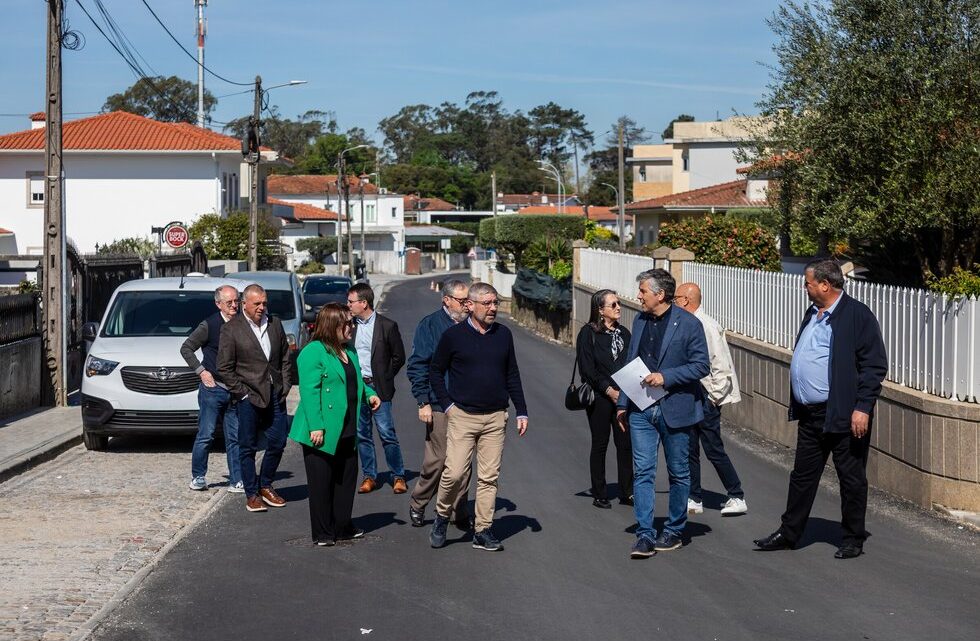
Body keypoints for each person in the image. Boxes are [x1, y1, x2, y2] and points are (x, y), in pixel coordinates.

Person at [754, 258, 886, 559]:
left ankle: (853, 538)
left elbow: (874, 365)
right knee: (802, 475)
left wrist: (862, 407)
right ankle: (789, 534)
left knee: (851, 478)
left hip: (843, 412)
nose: (805, 287)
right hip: (811, 414)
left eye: (808, 283)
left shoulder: (857, 316)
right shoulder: (813, 312)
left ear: (825, 285)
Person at [428, 282, 528, 552]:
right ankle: (441, 516)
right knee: (455, 473)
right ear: (470, 305)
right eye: (487, 303)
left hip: (496, 417)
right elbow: (436, 371)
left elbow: (512, 374)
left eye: (495, 302)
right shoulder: (453, 336)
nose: (493, 308)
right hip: (462, 415)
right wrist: (447, 405)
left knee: (488, 477)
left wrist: (521, 410)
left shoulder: (504, 335)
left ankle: (482, 530)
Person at [616, 269, 709, 559]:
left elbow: (701, 366)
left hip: (676, 408)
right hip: (640, 409)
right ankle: (644, 534)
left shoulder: (689, 324)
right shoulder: (640, 320)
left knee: (678, 473)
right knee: (642, 472)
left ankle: (674, 530)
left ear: (659, 294)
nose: (638, 296)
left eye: (643, 291)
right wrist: (622, 402)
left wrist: (665, 377)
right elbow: (632, 361)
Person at [290, 303, 381, 546]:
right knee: (322, 485)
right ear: (332, 326)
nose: (352, 327)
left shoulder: (348, 351)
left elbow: (357, 381)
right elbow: (310, 393)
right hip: (321, 429)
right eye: (347, 324)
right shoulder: (313, 351)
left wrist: (369, 394)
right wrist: (316, 427)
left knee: (346, 481)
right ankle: (323, 533)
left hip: (347, 427)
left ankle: (343, 526)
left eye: (351, 323)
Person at [217, 283, 292, 513]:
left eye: (264, 303)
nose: (261, 307)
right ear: (244, 304)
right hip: (249, 397)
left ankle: (266, 484)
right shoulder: (232, 329)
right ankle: (251, 493)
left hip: (275, 395)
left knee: (278, 441)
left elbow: (284, 358)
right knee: (247, 446)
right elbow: (224, 367)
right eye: (257, 303)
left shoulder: (274, 324)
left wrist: (285, 384)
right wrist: (242, 393)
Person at [674, 282, 747, 516]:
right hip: (694, 394)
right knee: (690, 447)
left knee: (713, 448)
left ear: (686, 300)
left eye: (676, 298)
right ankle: (694, 497)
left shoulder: (706, 325)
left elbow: (721, 365)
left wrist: (712, 398)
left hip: (706, 396)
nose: (674, 302)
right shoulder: (691, 323)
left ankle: (736, 495)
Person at [405, 279, 473, 529]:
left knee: (463, 463)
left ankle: (459, 511)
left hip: (469, 405)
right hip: (438, 403)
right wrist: (422, 401)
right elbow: (418, 365)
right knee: (438, 460)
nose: (468, 305)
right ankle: (419, 502)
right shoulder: (430, 325)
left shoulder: (473, 324)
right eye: (462, 301)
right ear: (446, 300)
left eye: (469, 301)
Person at [181, 285, 243, 493]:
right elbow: (186, 348)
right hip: (213, 388)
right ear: (218, 304)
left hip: (235, 389)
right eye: (229, 303)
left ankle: (237, 479)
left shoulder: (244, 323)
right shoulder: (209, 325)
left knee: (234, 436)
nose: (234, 305)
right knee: (206, 434)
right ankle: (198, 476)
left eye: (237, 301)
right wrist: (201, 371)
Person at [347, 283, 408, 494]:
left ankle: (398, 475)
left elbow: (399, 356)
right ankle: (369, 476)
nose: (348, 306)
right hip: (357, 388)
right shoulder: (349, 326)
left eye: (351, 302)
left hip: (379, 387)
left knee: (386, 433)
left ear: (363, 303)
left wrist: (385, 376)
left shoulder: (387, 326)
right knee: (362, 434)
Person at [575, 288, 633, 509]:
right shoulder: (588, 334)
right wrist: (609, 390)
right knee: (600, 443)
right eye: (613, 305)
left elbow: (632, 364)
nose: (618, 308)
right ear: (600, 310)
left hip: (624, 397)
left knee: (625, 443)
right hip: (600, 397)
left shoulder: (625, 334)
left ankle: (627, 491)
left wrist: (624, 393)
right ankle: (600, 492)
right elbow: (587, 369)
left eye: (619, 304)